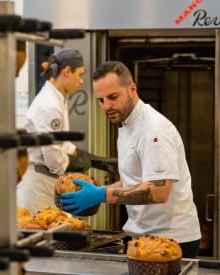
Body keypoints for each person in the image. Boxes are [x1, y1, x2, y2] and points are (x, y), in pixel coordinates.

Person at [61, 61, 202, 258]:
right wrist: (99, 190)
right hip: (141, 237)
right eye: (101, 100)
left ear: (132, 88)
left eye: (113, 97)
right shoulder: (128, 124)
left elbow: (159, 191)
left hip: (171, 240)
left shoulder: (154, 129)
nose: (107, 106)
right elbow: (135, 181)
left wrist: (103, 195)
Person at [17, 48, 91, 213]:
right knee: (40, 233)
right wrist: (75, 164)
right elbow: (53, 158)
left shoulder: (56, 98)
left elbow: (60, 142)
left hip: (47, 180)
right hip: (39, 186)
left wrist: (89, 157)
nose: (81, 81)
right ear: (66, 72)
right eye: (79, 75)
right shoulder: (49, 105)